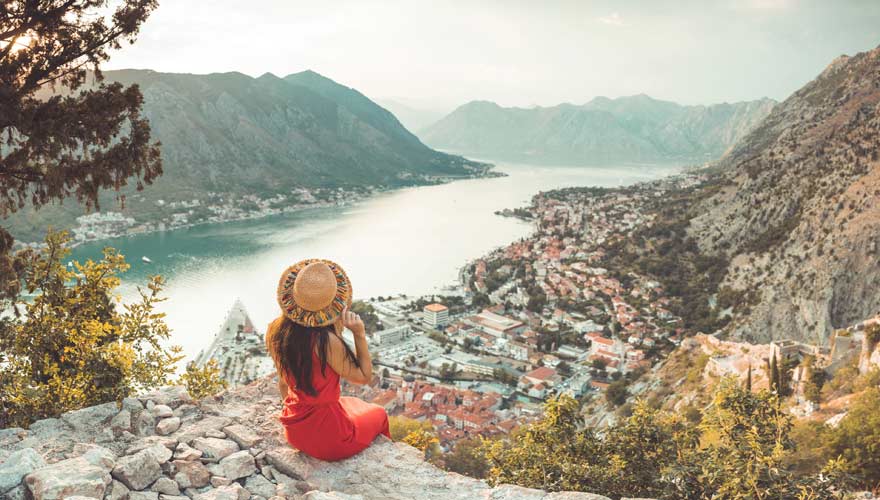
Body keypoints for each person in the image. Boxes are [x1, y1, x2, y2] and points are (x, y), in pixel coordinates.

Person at [265, 258, 390, 461]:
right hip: (330, 439)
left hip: (295, 430)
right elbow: (364, 377)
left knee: (352, 403)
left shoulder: (275, 330)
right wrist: (359, 333)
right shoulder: (325, 341)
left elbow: (283, 384)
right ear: (334, 304)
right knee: (379, 413)